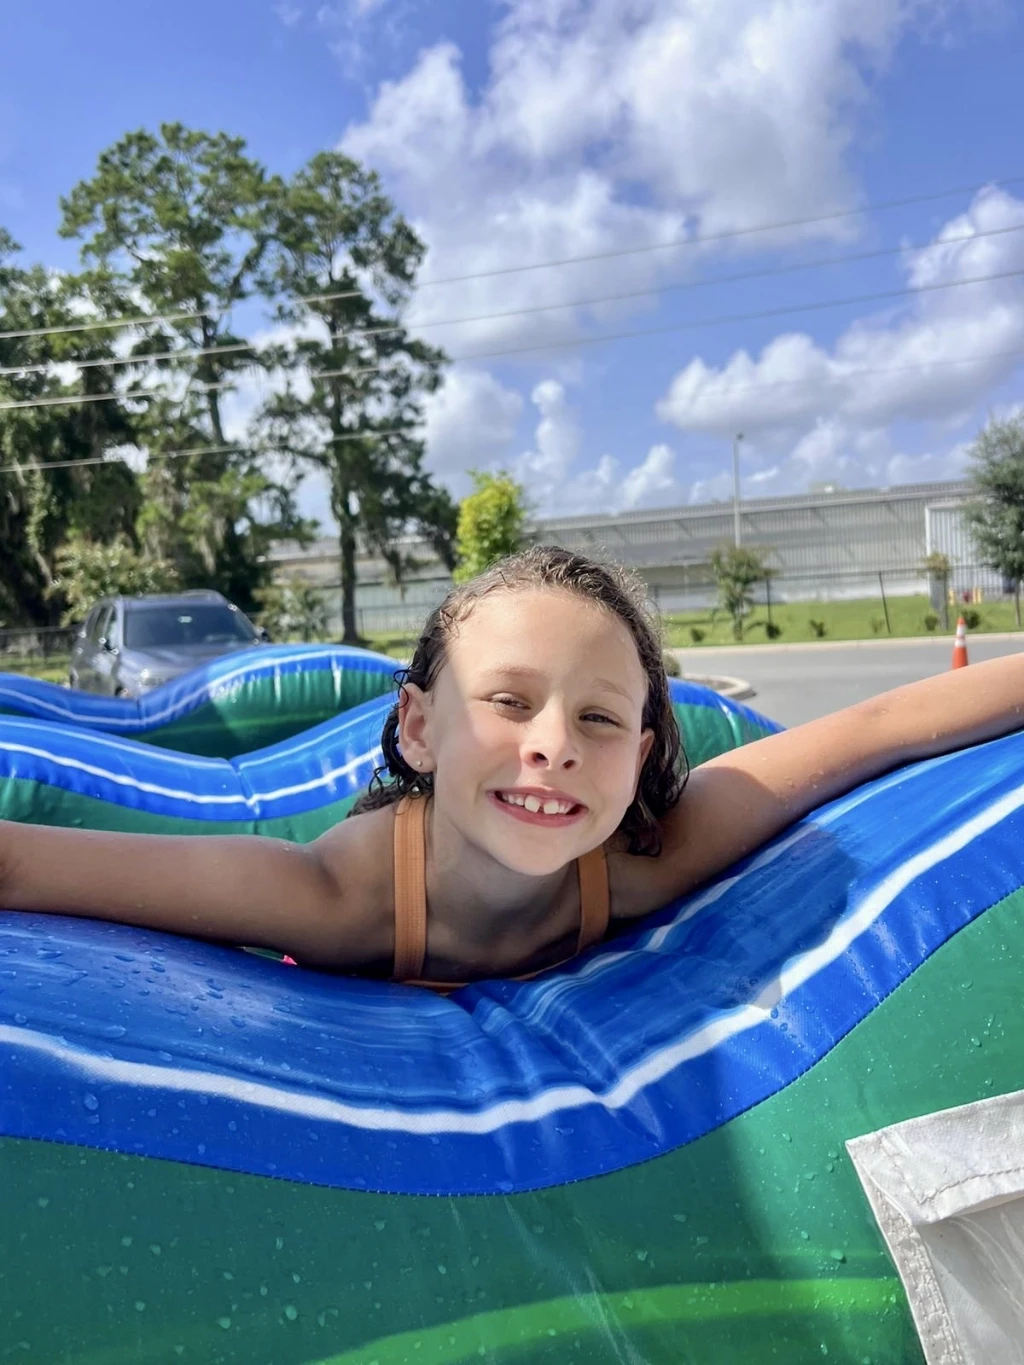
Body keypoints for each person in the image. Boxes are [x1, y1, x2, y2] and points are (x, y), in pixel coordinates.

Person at [0, 546, 1021, 988]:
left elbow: (885, 723)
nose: (553, 743)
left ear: (649, 755)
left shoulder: (643, 857)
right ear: (418, 728)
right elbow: (27, 868)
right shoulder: (330, 894)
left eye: (598, 717)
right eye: (506, 700)